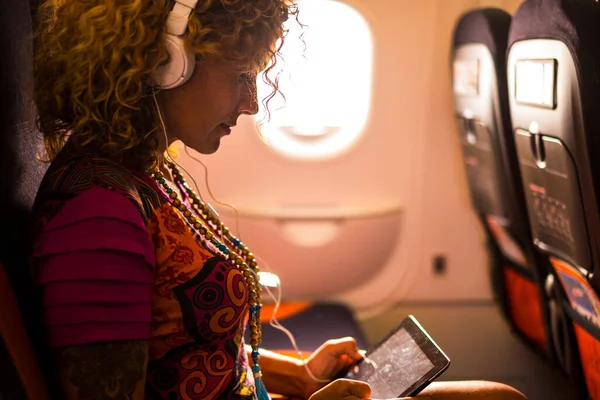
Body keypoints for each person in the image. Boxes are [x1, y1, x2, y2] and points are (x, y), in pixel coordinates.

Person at [29, 0, 528, 399]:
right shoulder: (98, 214)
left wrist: (300, 375)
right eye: (242, 75)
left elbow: (182, 348)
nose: (251, 103)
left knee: (497, 396)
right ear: (165, 63)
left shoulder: (142, 170)